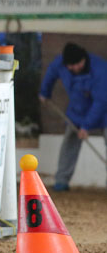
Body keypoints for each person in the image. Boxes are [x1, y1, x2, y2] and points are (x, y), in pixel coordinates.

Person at [39, 42, 107, 191]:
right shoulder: (61, 63)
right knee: (69, 144)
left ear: (84, 59)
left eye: (78, 64)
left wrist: (86, 126)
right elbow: (51, 72)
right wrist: (45, 92)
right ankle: (61, 181)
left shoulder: (100, 70)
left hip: (104, 112)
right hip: (77, 112)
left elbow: (101, 102)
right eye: (71, 66)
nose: (74, 68)